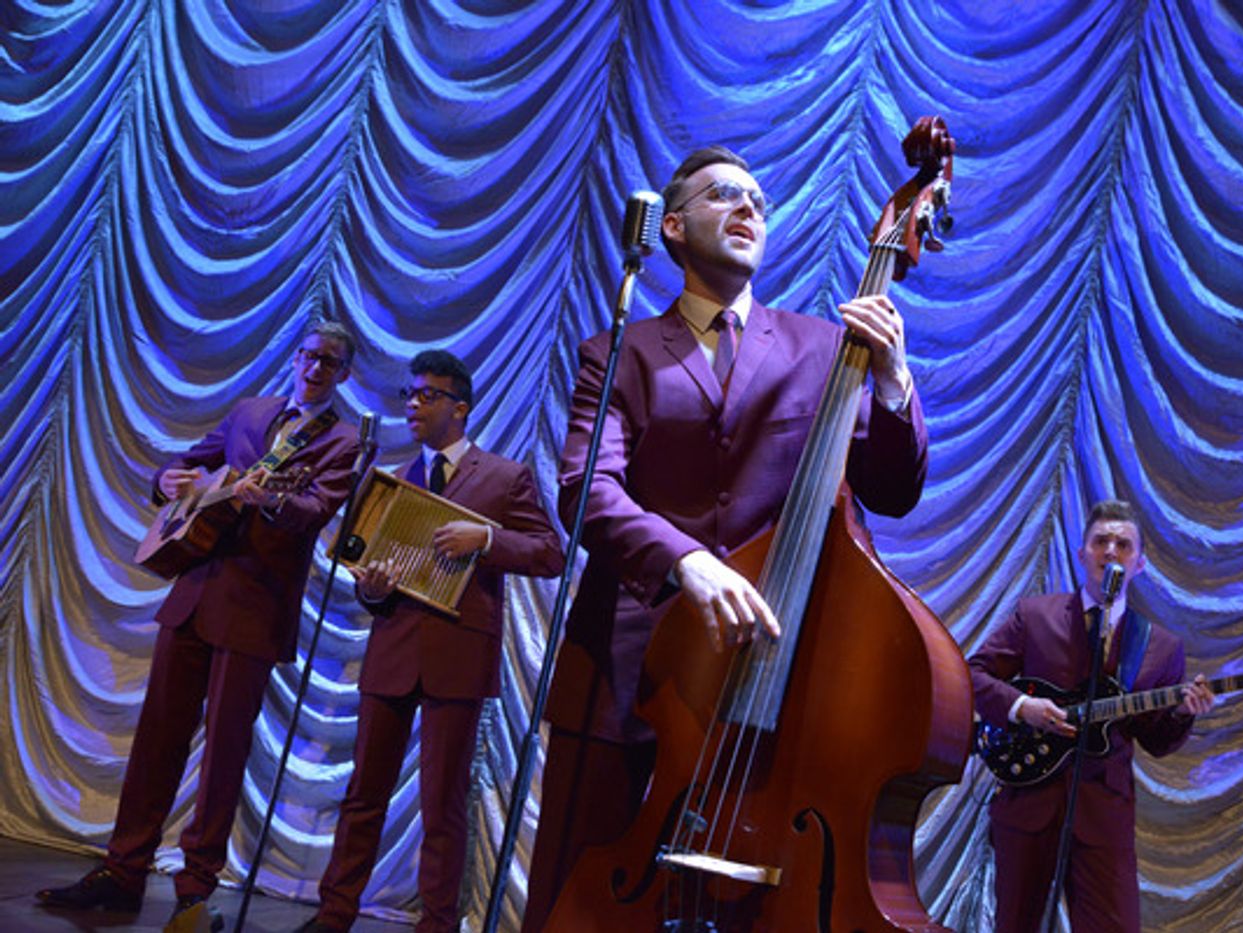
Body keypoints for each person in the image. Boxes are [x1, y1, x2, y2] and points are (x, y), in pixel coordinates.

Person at [520, 145, 930, 930]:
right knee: (575, 893)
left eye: (758, 201)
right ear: (671, 227)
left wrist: (891, 378)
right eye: (723, 196)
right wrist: (688, 563)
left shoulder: (822, 347)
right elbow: (585, 490)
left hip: (767, 673)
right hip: (626, 664)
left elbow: (892, 490)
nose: (748, 207)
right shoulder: (618, 351)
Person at [37, 320, 364, 931]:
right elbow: (185, 465)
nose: (317, 368)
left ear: (345, 374)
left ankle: (194, 891)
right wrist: (167, 482)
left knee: (222, 758)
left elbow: (314, 511)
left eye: (331, 362)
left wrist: (272, 499)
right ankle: (122, 870)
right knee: (157, 739)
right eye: (310, 356)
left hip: (256, 606)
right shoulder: (249, 412)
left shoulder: (343, 441)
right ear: (294, 359)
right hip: (195, 590)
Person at [295, 350, 563, 933]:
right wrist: (371, 588)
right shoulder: (391, 480)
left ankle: (438, 925)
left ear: (460, 407)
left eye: (426, 395)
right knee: (363, 794)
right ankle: (334, 913)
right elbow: (367, 571)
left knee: (443, 805)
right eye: (408, 396)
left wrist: (486, 538)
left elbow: (550, 553)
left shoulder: (503, 477)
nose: (413, 405)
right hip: (392, 651)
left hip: (457, 658)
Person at [967, 498, 1216, 933]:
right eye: (1101, 541)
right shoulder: (1036, 615)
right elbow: (972, 674)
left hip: (1103, 817)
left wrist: (1182, 713)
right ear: (1083, 554)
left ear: (1139, 564)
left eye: (1123, 544)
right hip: (1030, 801)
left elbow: (1156, 740)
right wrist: (1024, 708)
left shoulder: (1159, 647)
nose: (1111, 551)